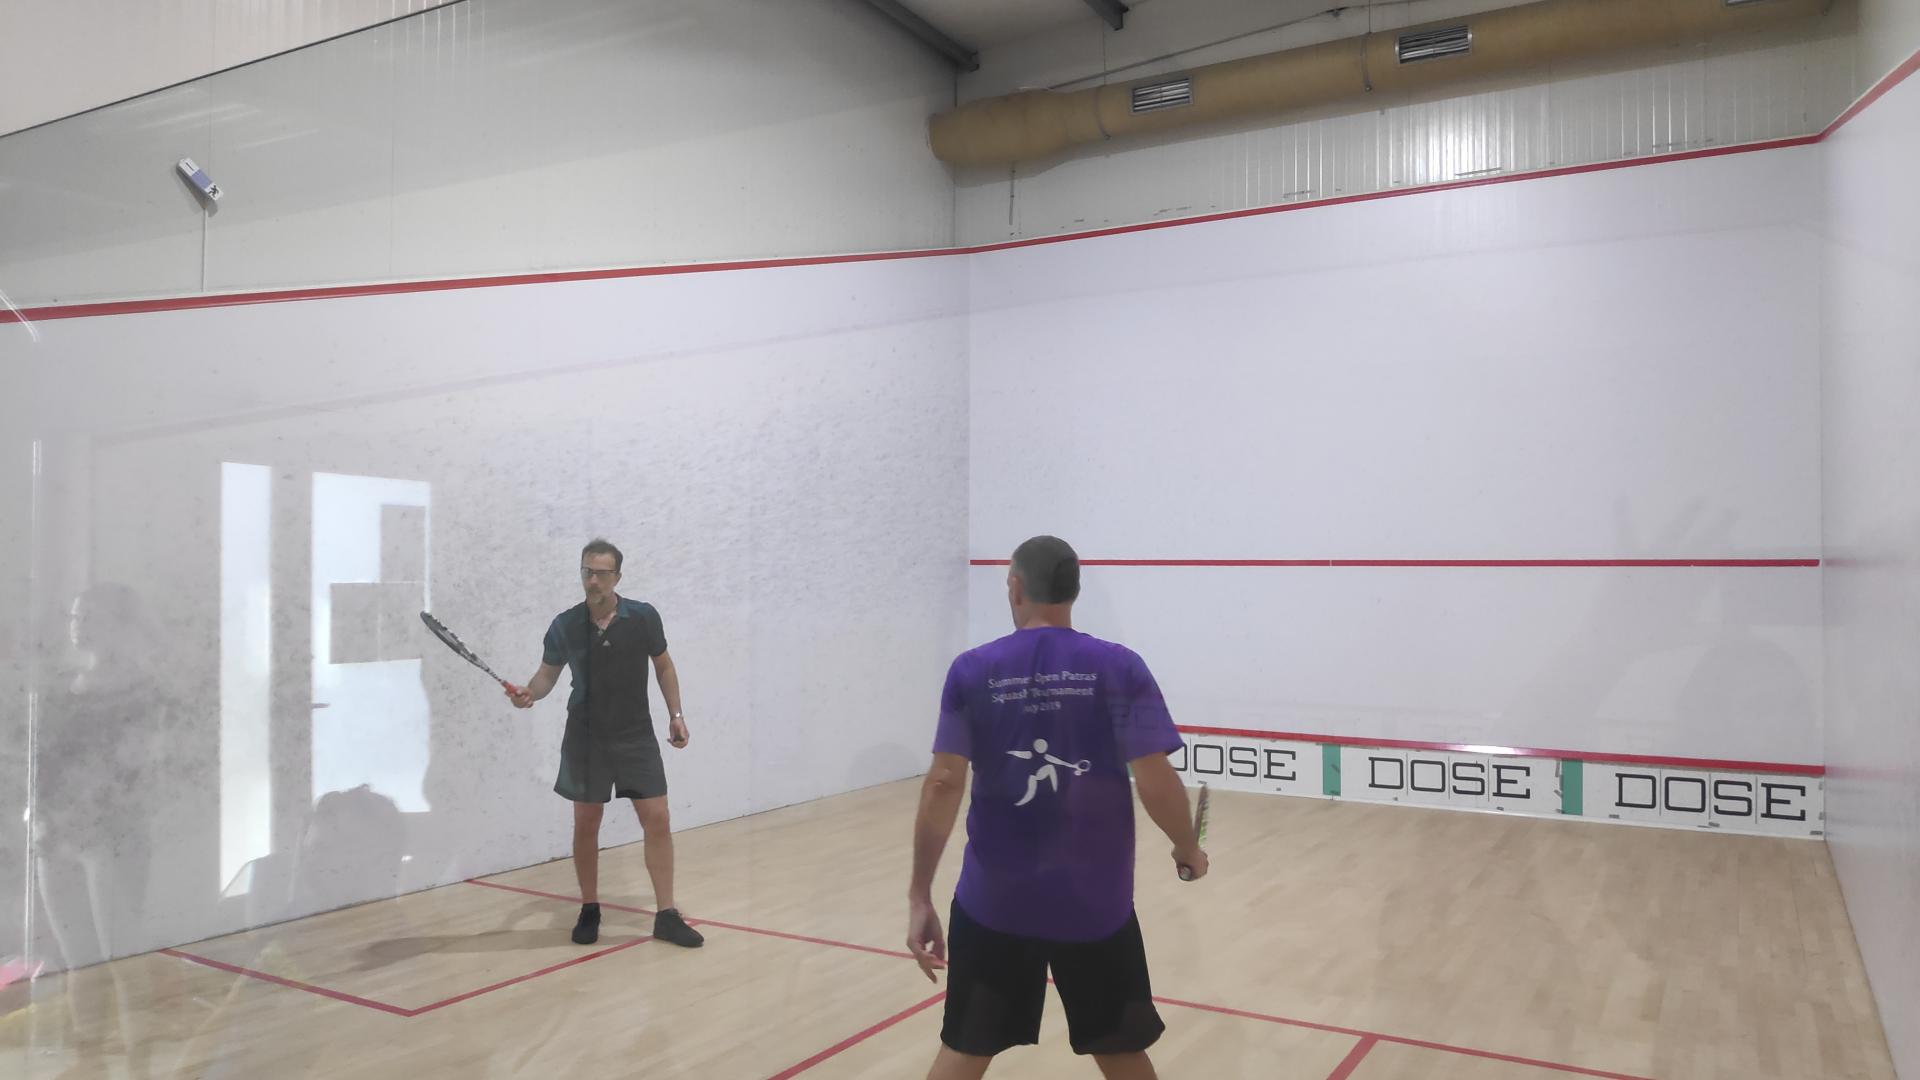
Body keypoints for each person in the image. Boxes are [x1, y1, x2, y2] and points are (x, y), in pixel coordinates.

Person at [906, 536, 1208, 1080]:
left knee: (967, 1047)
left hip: (995, 901)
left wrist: (919, 893)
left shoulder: (972, 670)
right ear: (1074, 591)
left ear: (1015, 588)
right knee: (1120, 1049)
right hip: (1095, 903)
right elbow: (1155, 778)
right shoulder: (1120, 667)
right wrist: (1187, 847)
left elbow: (944, 783)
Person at [508, 538, 703, 948]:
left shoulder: (643, 617)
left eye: (601, 573)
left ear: (617, 577)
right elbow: (546, 675)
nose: (593, 580)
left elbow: (664, 666)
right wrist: (530, 692)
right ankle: (590, 908)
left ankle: (666, 915)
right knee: (586, 823)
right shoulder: (565, 624)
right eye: (587, 572)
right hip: (586, 738)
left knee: (658, 818)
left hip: (635, 735)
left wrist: (676, 715)